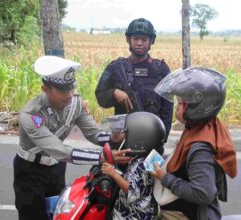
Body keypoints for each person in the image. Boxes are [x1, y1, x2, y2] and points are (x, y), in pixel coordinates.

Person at [13, 55, 130, 220]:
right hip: (30, 171)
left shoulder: (75, 103)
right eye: (62, 90)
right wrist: (101, 157)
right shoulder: (31, 115)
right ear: (45, 89)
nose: (69, 95)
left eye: (71, 88)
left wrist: (114, 139)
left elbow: (92, 132)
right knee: (32, 215)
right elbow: (60, 150)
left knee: (58, 212)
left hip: (56, 169)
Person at [151, 67, 238, 220]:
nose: (176, 107)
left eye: (180, 103)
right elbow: (184, 165)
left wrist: (164, 177)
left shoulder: (200, 148)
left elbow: (203, 193)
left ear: (196, 108)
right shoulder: (200, 128)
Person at [95, 18, 173, 152]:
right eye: (135, 38)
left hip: (153, 140)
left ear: (151, 41)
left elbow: (168, 107)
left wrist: (162, 137)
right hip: (124, 140)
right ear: (128, 39)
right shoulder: (116, 68)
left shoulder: (161, 70)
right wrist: (114, 92)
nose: (139, 43)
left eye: (144, 39)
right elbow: (100, 97)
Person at [101, 111, 167, 220]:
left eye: (127, 136)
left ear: (140, 138)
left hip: (134, 215)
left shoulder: (143, 165)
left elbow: (132, 192)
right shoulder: (150, 156)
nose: (126, 139)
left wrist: (113, 173)